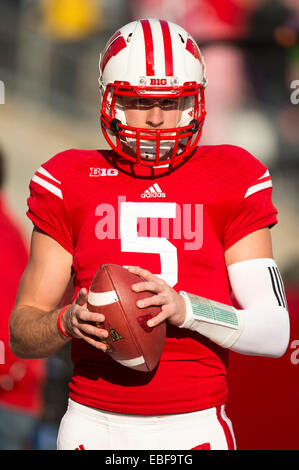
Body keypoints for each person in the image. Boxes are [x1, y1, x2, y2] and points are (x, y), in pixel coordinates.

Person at [9, 19, 290, 450]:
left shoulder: (234, 175)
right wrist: (66, 321)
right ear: (110, 99)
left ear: (195, 101)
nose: (157, 118)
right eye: (139, 100)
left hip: (194, 427)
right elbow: (23, 333)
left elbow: (274, 331)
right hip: (92, 425)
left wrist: (185, 309)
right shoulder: (66, 178)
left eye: (171, 101)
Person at [0, 148, 45, 449]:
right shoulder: (10, 231)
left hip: (8, 400)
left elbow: (11, 319)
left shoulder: (5, 235)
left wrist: (6, 370)